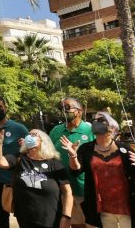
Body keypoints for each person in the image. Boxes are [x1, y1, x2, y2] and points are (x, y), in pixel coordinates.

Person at [60, 112, 135, 228]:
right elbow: (76, 171)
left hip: (127, 209)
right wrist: (73, 155)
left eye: (101, 120)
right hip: (102, 211)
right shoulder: (86, 149)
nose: (96, 122)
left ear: (112, 127)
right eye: (94, 120)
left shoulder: (125, 149)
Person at [0, 128, 73, 228]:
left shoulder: (54, 163)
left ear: (43, 140)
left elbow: (67, 192)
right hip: (25, 218)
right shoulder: (19, 158)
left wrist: (66, 217)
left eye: (34, 134)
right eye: (28, 134)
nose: (29, 136)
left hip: (51, 219)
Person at [0, 96, 30, 228]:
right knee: (2, 218)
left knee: (23, 216)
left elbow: (31, 150)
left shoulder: (19, 128)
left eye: (0, 106)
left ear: (5, 108)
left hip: (17, 180)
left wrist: (25, 146)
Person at [49, 97, 94, 228]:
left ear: (79, 111)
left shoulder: (90, 130)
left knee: (87, 224)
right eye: (61, 108)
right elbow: (48, 154)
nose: (63, 111)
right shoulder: (56, 130)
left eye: (67, 108)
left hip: (84, 188)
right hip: (61, 188)